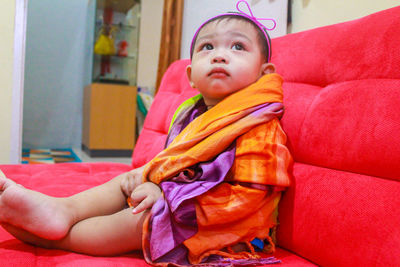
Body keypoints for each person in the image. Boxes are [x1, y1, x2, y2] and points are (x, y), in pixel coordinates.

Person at [0, 1, 291, 265]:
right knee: (128, 179)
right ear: (190, 76)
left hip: (225, 227)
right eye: (207, 48)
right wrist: (151, 180)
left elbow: (249, 198)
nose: (220, 56)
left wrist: (167, 198)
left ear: (264, 74)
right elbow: (177, 165)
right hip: (184, 199)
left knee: (144, 218)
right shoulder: (193, 113)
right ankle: (63, 210)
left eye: (238, 47)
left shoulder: (259, 125)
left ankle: (56, 237)